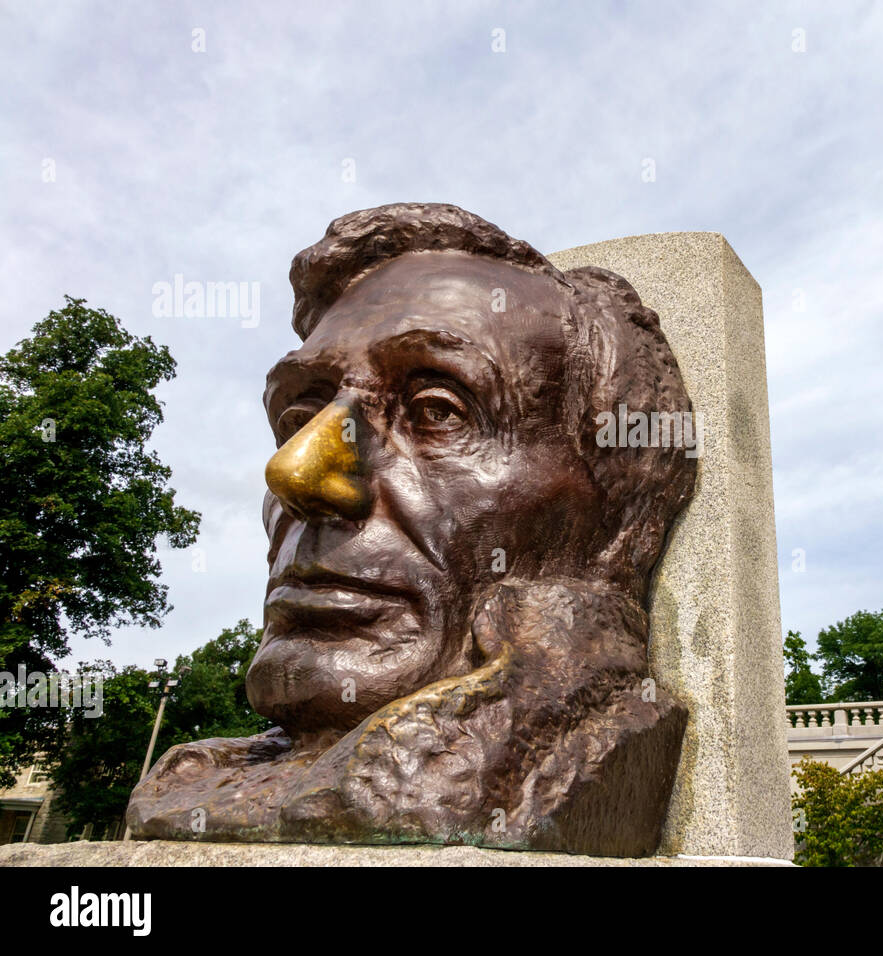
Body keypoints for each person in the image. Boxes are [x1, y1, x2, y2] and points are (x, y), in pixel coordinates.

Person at [127, 204, 697, 856]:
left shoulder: (584, 751)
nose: (296, 471)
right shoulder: (202, 781)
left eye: (436, 412)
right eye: (299, 416)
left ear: (618, 525)